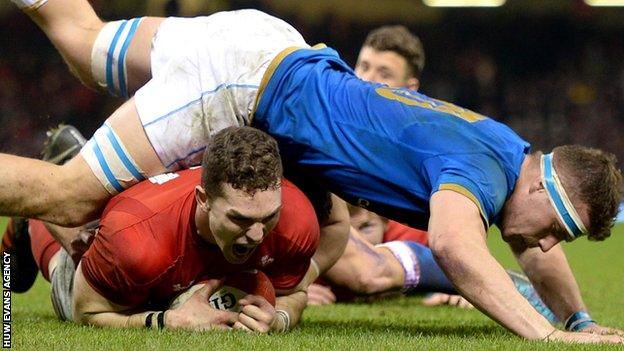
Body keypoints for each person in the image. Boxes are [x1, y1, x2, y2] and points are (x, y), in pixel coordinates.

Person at [3, 0, 624, 343]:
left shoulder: (509, 149)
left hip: (271, 43)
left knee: (86, 45)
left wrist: (576, 318)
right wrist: (546, 337)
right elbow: (457, 250)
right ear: (542, 183)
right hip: (242, 83)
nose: (546, 246)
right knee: (66, 198)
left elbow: (533, 247)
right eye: (557, 228)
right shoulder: (485, 173)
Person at [6, 126, 322, 332]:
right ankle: (35, 215)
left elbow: (294, 292)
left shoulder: (296, 220)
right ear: (204, 200)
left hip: (153, 235)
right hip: (131, 236)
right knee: (72, 261)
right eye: (239, 219)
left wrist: (280, 318)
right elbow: (86, 313)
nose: (256, 234)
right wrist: (167, 321)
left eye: (268, 217)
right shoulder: (133, 245)